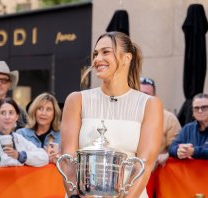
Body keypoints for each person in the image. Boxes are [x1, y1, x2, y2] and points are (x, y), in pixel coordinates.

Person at [60, 32, 163, 198]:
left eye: (105, 52)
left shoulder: (149, 104)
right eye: (95, 54)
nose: (97, 59)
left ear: (127, 58)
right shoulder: (76, 100)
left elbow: (144, 165)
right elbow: (67, 159)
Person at [140, 77, 181, 167]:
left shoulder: (169, 119)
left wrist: (166, 155)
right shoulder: (126, 117)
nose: (142, 98)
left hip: (157, 171)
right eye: (139, 94)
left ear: (155, 97)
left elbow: (175, 147)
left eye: (146, 94)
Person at [0, 98, 48, 167]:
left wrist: (20, 155)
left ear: (17, 116)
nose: (7, 117)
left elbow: (44, 157)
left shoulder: (18, 138)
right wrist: (20, 160)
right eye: (3, 113)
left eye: (11, 113)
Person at [169, 93, 208, 159]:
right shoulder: (188, 128)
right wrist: (179, 151)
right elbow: (171, 148)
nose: (200, 111)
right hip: (191, 169)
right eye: (196, 108)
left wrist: (194, 152)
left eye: (204, 107)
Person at [16, 93, 61, 164]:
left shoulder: (62, 136)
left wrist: (59, 158)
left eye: (48, 109)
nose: (44, 113)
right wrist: (42, 158)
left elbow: (68, 162)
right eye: (40, 108)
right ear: (34, 111)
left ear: (54, 114)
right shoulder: (21, 134)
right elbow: (16, 160)